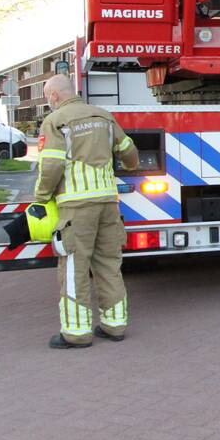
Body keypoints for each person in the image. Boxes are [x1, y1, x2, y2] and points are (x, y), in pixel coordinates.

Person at [36, 74, 139, 349]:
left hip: (75, 207)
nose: (49, 102)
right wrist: (129, 167)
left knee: (73, 267)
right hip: (108, 204)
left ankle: (76, 333)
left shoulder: (55, 121)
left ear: (54, 96)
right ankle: (115, 325)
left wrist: (41, 197)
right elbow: (129, 153)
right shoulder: (104, 116)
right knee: (109, 264)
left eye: (48, 97)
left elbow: (51, 167)